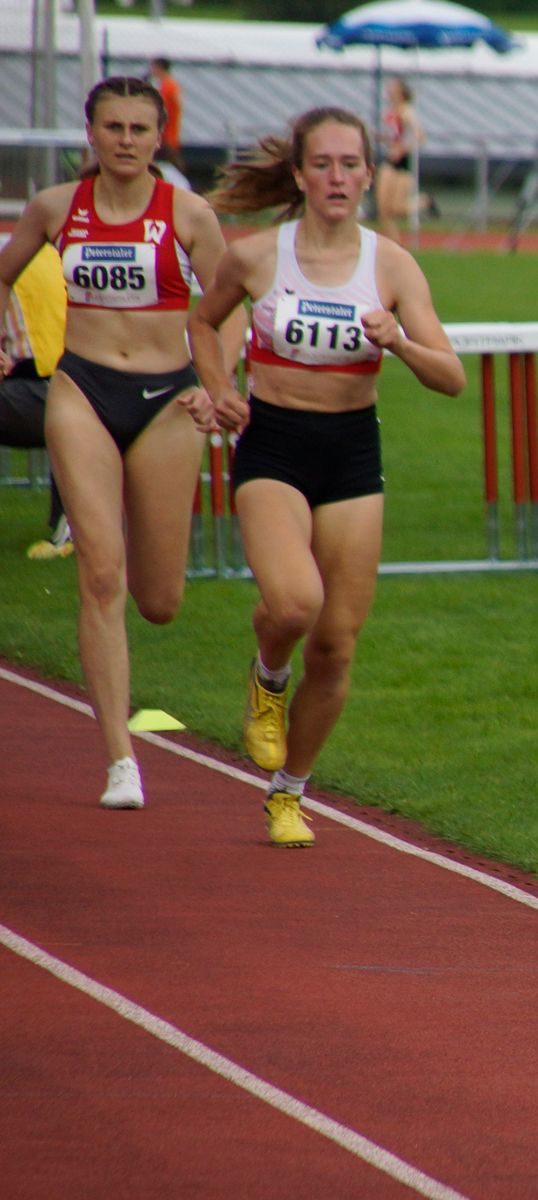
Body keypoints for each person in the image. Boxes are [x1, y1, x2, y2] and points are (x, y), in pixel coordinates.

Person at [189, 107, 464, 848]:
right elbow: (203, 321)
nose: (337, 178)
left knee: (337, 643)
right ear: (300, 174)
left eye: (350, 164)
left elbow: (452, 377)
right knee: (294, 602)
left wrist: (399, 341)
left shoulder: (392, 266)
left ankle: (289, 792)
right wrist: (218, 386)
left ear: (370, 175)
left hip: (350, 455)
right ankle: (267, 677)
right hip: (273, 447)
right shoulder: (258, 257)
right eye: (322, 164)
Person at [0, 76, 226, 810]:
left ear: (158, 137)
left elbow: (229, 309)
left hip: (168, 402)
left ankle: (135, 535)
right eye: (113, 127)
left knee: (158, 600)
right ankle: (121, 761)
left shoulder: (189, 214)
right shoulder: (55, 208)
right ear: (90, 135)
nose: (126, 140)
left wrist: (219, 387)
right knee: (101, 575)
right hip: (83, 390)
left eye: (139, 128)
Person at [0, 243, 74, 558]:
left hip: (45, 393)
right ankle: (70, 521)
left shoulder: (11, 264)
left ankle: (71, 521)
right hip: (87, 389)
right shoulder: (62, 258)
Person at [376, 78, 433, 242]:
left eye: (392, 87)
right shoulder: (389, 112)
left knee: (396, 208)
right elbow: (392, 136)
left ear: (400, 91)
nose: (388, 90)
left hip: (403, 163)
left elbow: (420, 136)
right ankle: (394, 244)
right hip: (389, 161)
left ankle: (424, 202)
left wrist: (402, 149)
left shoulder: (406, 111)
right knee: (383, 210)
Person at [148, 58, 184, 172]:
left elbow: (162, 109)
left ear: (159, 68)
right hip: (169, 133)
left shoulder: (167, 86)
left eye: (153, 67)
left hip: (166, 134)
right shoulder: (171, 85)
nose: (151, 70)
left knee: (171, 163)